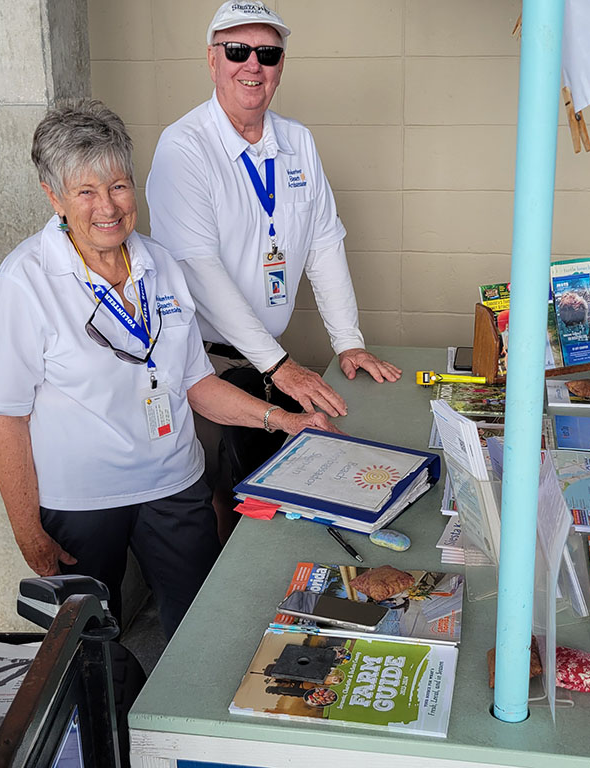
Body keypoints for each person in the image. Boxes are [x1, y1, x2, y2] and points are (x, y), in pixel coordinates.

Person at [0, 100, 338, 638]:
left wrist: (285, 421)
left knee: (199, 633)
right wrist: (26, 528)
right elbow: (7, 418)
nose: (108, 206)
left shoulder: (160, 264)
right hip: (81, 502)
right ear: (53, 197)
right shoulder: (25, 280)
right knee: (90, 651)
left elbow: (197, 383)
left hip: (174, 485)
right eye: (86, 191)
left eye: (119, 185)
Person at [145, 0, 401, 525]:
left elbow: (325, 244)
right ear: (212, 59)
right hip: (208, 364)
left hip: (268, 363)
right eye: (237, 50)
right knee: (224, 500)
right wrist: (281, 366)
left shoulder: (298, 142)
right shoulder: (184, 147)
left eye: (268, 52)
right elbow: (199, 269)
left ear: (282, 64)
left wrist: (347, 340)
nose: (253, 64)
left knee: (275, 495)